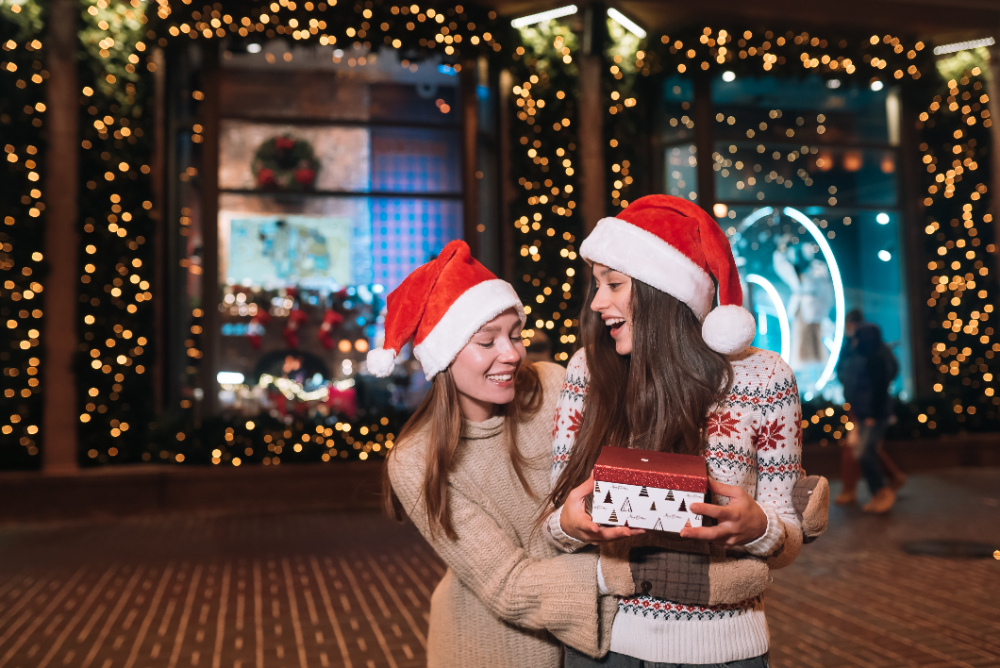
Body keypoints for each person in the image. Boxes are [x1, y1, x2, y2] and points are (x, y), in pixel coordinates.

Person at [544, 195, 804, 668]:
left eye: (614, 284)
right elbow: (551, 518)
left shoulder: (764, 378)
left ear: (662, 291)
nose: (598, 302)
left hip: (726, 651)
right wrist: (568, 523)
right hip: (603, 647)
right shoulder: (589, 370)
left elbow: (787, 535)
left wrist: (758, 527)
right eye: (596, 285)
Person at [371, 240, 618, 668]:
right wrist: (620, 577)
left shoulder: (554, 386)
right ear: (444, 356)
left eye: (514, 335)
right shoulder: (417, 459)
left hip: (595, 649)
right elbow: (507, 585)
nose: (512, 353)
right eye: (487, 342)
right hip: (490, 651)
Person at [835, 312, 902, 513]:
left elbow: (877, 387)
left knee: (864, 451)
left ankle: (881, 491)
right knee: (863, 450)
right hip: (863, 413)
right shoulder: (862, 355)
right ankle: (884, 487)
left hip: (870, 415)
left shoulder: (872, 357)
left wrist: (871, 413)